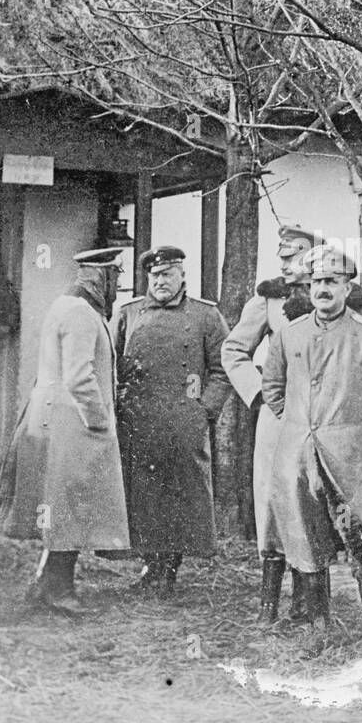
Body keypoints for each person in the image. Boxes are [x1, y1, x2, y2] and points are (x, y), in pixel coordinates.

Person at [261, 245, 362, 647]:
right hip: (300, 458)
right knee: (305, 540)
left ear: (348, 287)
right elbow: (273, 389)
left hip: (354, 461)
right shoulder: (288, 335)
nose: (323, 289)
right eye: (316, 282)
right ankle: (318, 628)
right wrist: (299, 426)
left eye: (332, 281)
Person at [222, 224, 362, 625]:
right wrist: (262, 397)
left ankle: (313, 608)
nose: (287, 264)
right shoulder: (271, 301)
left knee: (319, 508)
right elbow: (234, 350)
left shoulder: (347, 302)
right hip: (282, 419)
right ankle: (270, 606)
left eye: (295, 256)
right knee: (275, 506)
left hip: (330, 422)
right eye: (283, 257)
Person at [0, 247, 131, 613]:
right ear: (101, 277)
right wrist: (101, 421)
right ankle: (58, 591)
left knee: (62, 506)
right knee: (69, 506)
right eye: (115, 276)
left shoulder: (64, 306)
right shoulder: (81, 314)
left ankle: (45, 583)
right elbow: (80, 377)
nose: (117, 285)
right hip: (72, 423)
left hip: (56, 417)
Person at [112, 246, 233, 597]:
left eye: (167, 274)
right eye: (154, 276)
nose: (160, 281)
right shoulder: (128, 313)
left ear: (182, 275)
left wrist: (204, 410)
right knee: (144, 497)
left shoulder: (205, 316)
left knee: (178, 496)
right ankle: (150, 565)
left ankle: (170, 568)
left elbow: (222, 369)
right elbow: (111, 362)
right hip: (139, 422)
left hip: (182, 423)